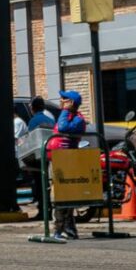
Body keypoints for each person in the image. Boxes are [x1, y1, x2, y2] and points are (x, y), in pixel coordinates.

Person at [47, 90, 86, 240]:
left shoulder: (78, 119)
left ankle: (59, 229)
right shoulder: (67, 116)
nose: (61, 101)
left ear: (72, 103)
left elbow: (63, 128)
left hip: (66, 161)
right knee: (58, 195)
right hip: (57, 160)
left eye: (64, 99)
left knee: (61, 196)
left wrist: (64, 110)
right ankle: (68, 228)